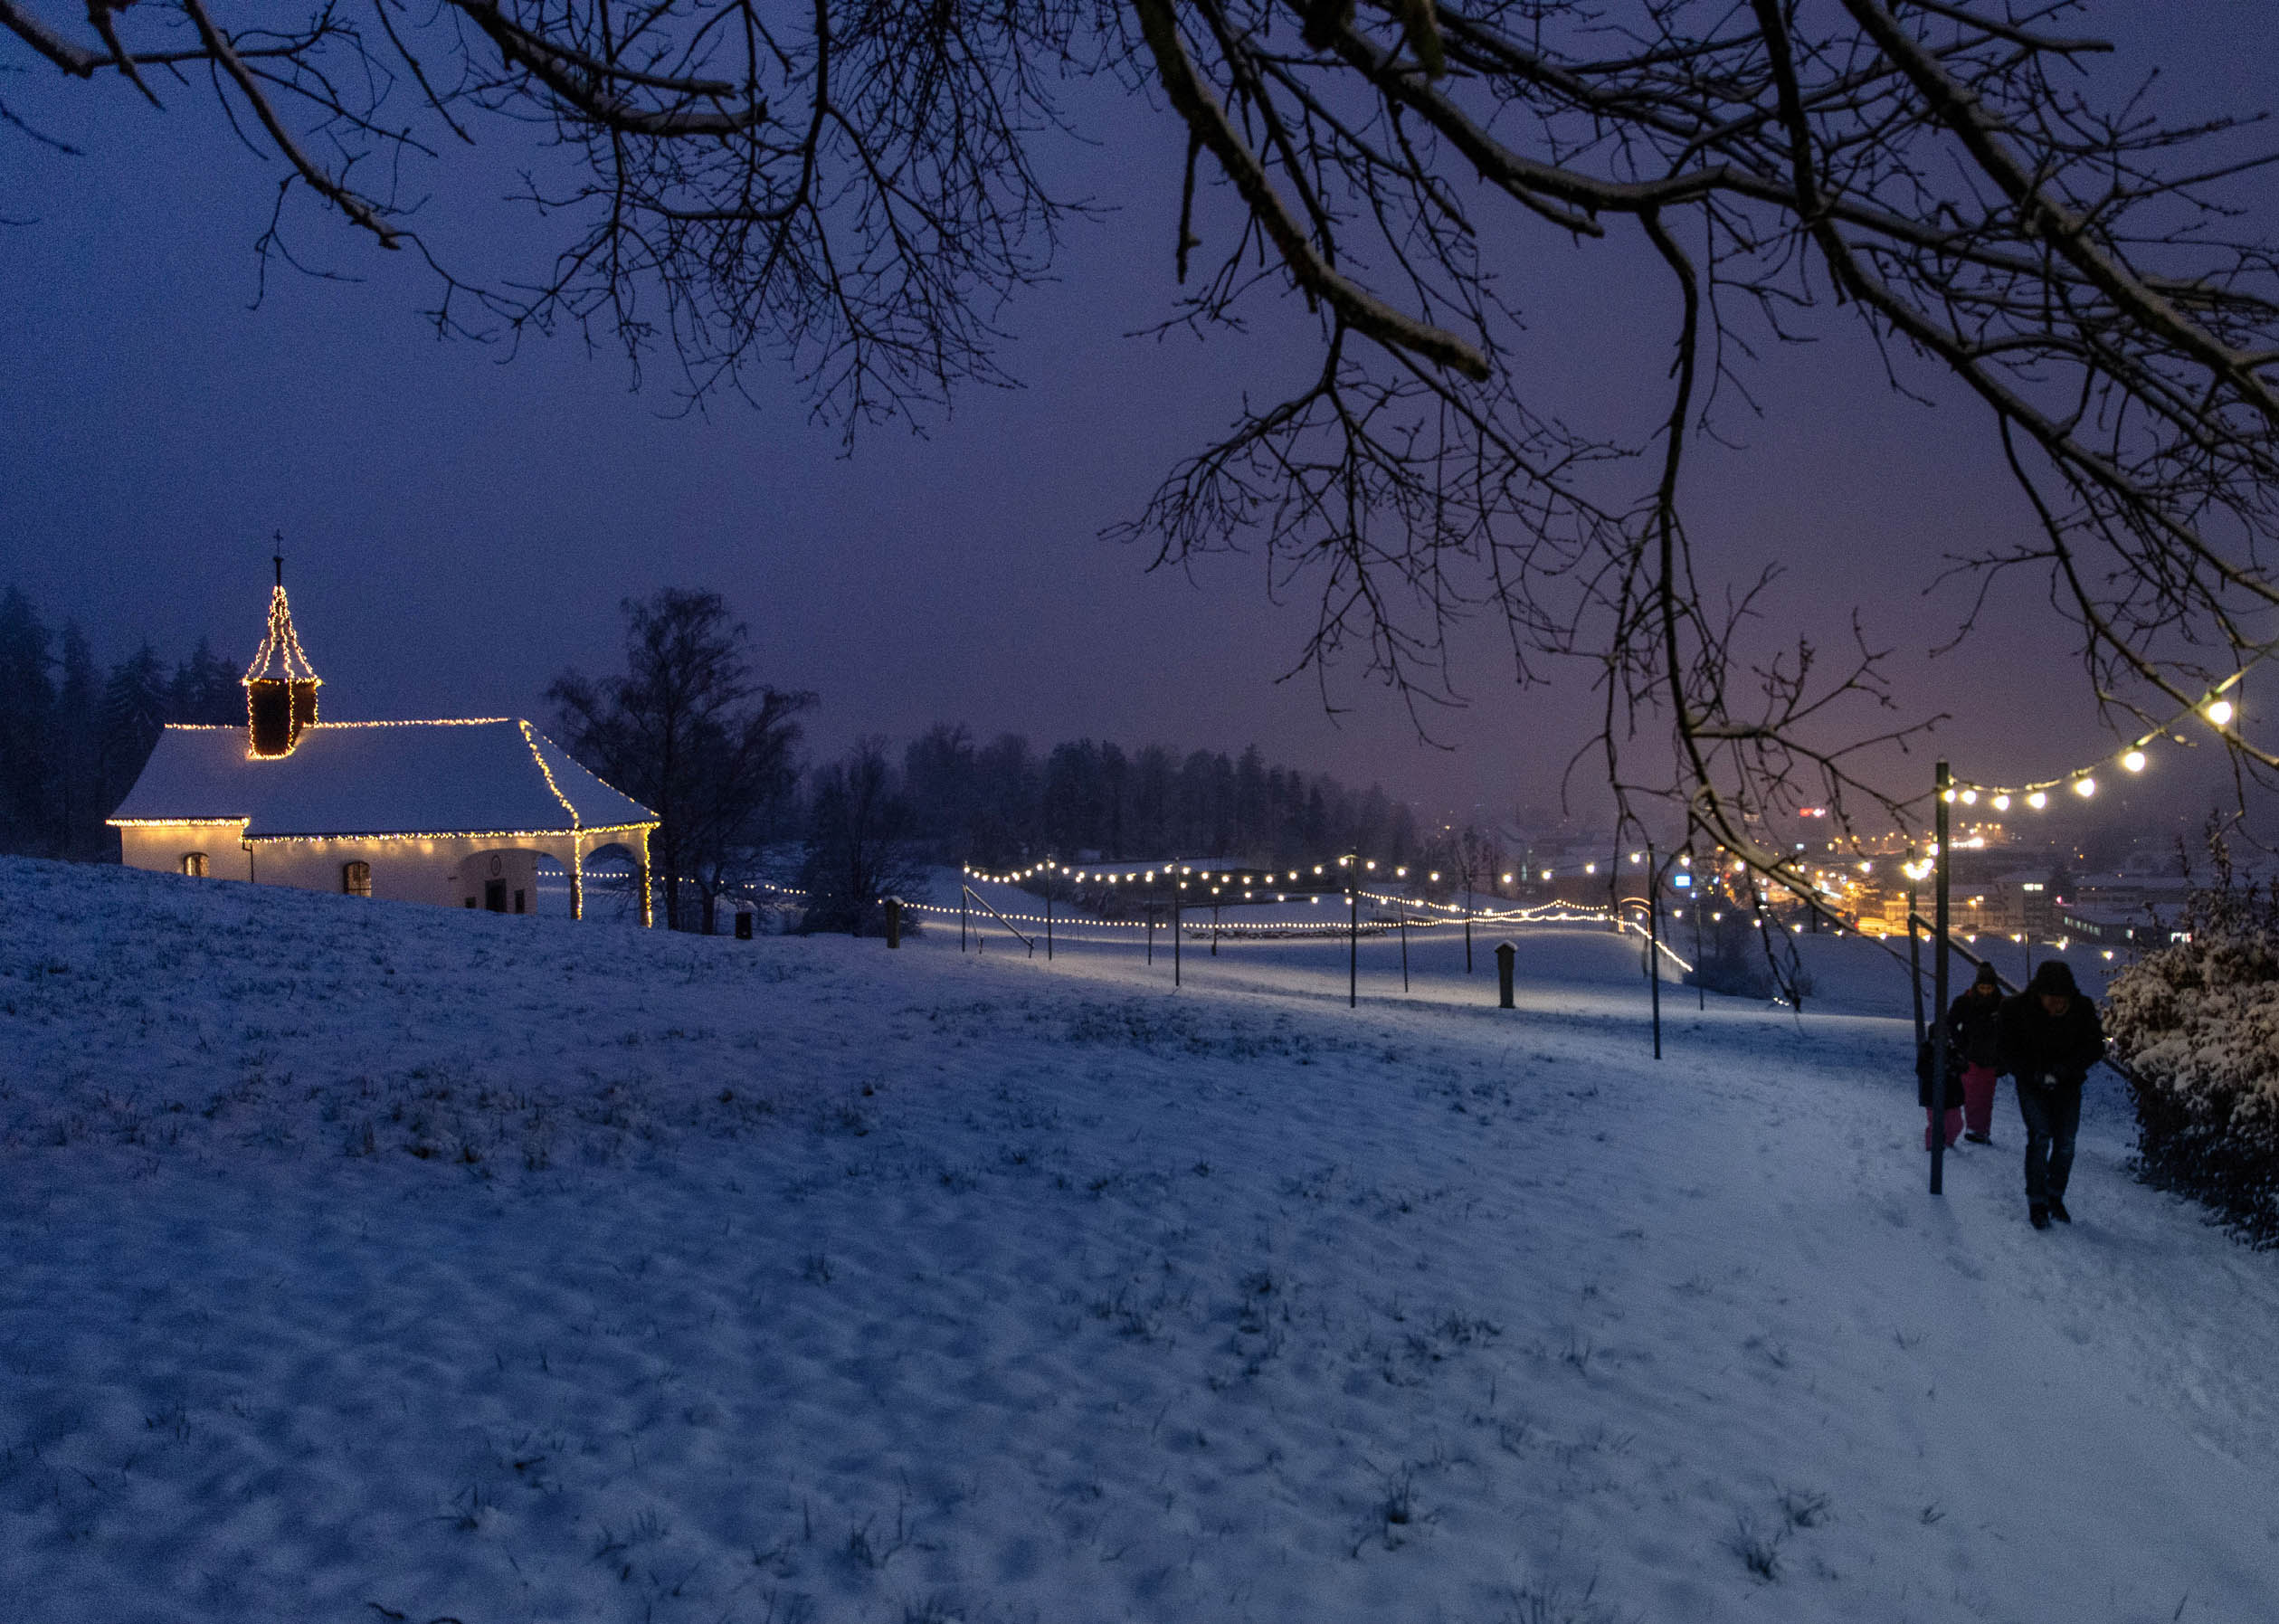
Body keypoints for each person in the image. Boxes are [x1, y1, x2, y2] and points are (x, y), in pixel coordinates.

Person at [1997, 960, 2106, 1230]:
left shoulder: (2082, 1010)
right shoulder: (2016, 1009)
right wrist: (2032, 1072)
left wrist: (2066, 1069)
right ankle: (2037, 1201)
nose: (2056, 1007)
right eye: (2051, 1000)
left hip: (2067, 1084)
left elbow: (2094, 1047)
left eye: (2061, 1002)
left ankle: (2055, 1196)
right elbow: (2005, 1049)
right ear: (2039, 995)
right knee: (2040, 1136)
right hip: (2031, 1083)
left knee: (2066, 1142)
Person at [1946, 961, 2005, 1144]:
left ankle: (1981, 1129)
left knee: (1986, 1096)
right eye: (1983, 987)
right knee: (1972, 1095)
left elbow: (2010, 1033)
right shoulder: (1965, 1002)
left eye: (1988, 987)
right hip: (1971, 1056)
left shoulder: (2003, 1006)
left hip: (1991, 1057)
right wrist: (1961, 1044)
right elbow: (1951, 1024)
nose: (1986, 991)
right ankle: (1975, 1129)